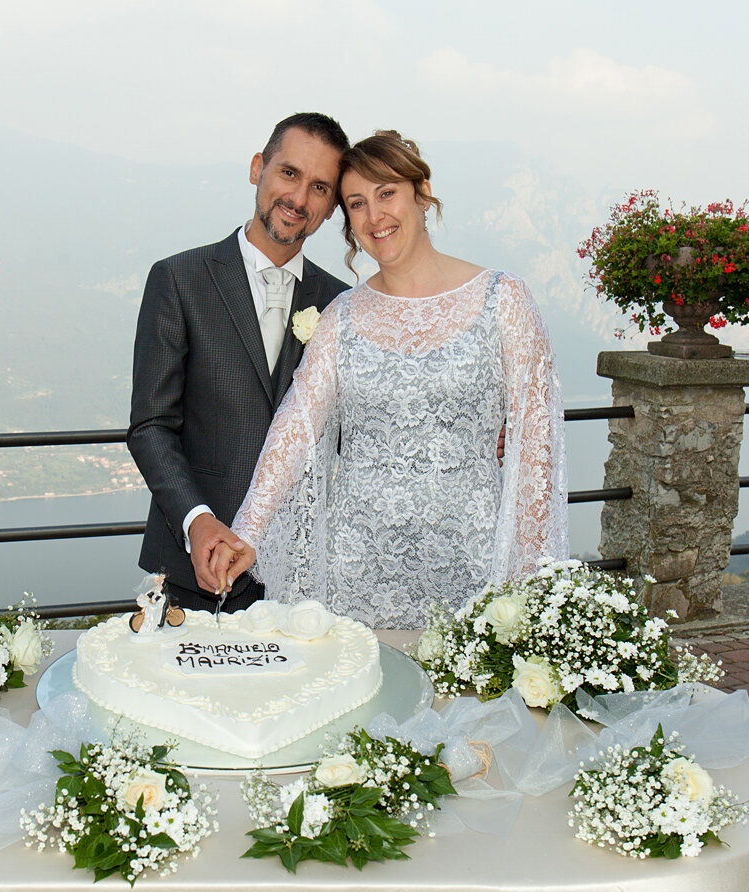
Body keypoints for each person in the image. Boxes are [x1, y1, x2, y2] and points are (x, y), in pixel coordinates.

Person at [214, 130, 568, 628]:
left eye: (387, 193)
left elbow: (536, 452)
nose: (375, 216)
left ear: (422, 194)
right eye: (357, 204)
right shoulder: (341, 317)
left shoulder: (503, 300)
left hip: (473, 567)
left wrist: (528, 586)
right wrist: (248, 533)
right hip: (355, 571)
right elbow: (295, 428)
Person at [127, 113, 351, 613]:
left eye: (319, 187)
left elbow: (357, 432)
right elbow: (150, 426)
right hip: (194, 573)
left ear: (332, 206)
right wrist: (197, 520)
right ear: (257, 168)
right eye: (289, 173)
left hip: (303, 581)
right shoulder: (179, 279)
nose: (298, 199)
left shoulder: (342, 304)